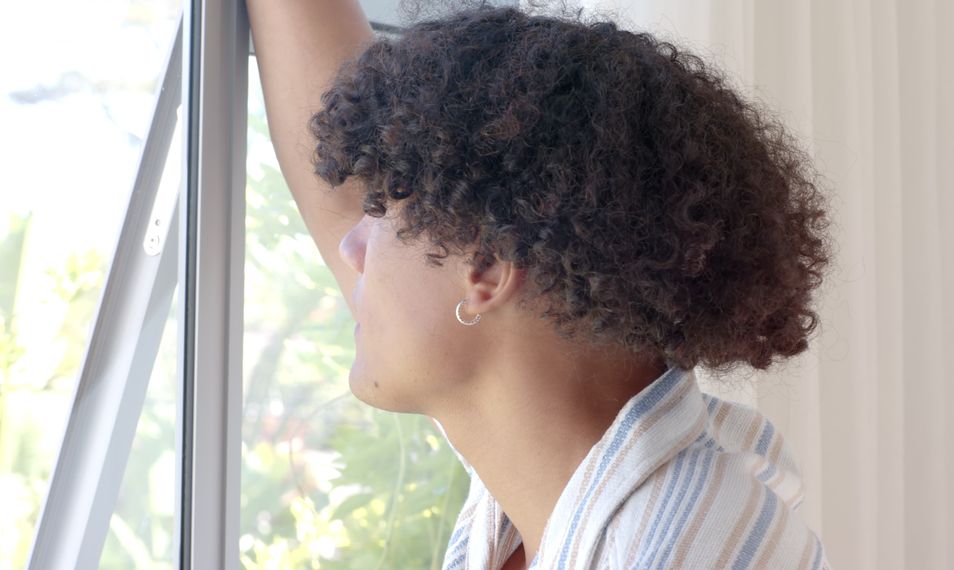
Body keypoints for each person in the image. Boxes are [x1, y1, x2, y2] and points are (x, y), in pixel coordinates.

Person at [247, 1, 834, 568]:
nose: (352, 245)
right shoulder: (563, 485)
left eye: (385, 208)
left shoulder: (679, 548)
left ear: (488, 267)